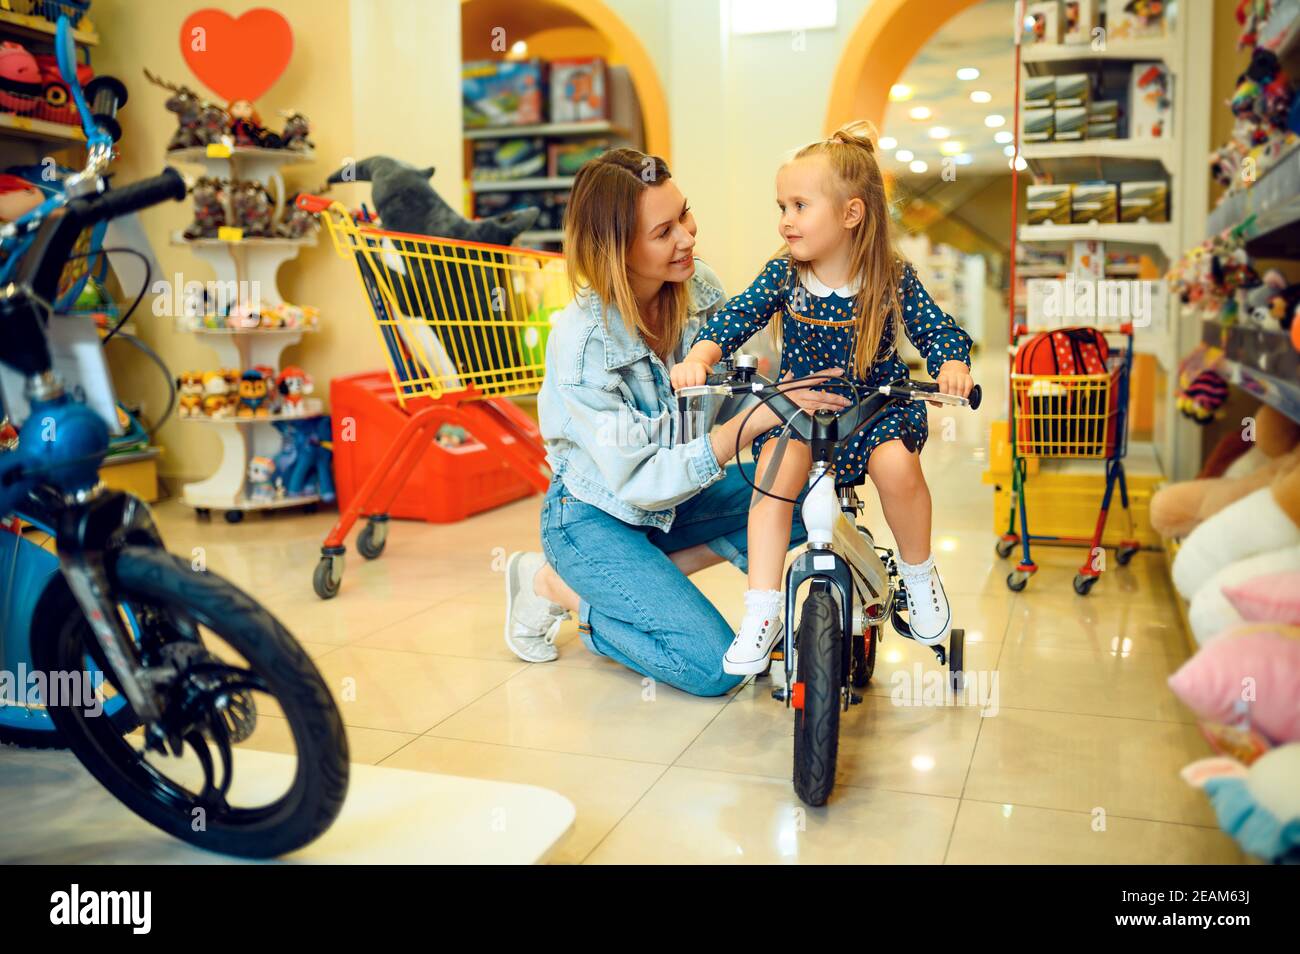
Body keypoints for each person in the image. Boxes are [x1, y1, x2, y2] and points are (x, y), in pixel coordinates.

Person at [503, 147, 848, 696]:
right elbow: (641, 480)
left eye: (684, 215)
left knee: (806, 499)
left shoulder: (702, 288)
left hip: (680, 500)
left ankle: (650, 575)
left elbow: (740, 387)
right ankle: (555, 585)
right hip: (594, 516)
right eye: (664, 232)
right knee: (715, 667)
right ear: (616, 250)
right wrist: (747, 427)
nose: (687, 237)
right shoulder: (582, 346)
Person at [671, 120, 974, 675]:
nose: (785, 219)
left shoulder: (891, 276)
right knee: (772, 478)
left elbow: (935, 328)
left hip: (875, 408)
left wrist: (951, 364)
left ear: (851, 214)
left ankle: (918, 572)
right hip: (801, 409)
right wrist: (702, 357)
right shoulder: (783, 274)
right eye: (781, 205)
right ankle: (762, 609)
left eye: (799, 205)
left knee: (899, 469)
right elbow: (737, 315)